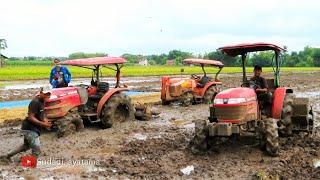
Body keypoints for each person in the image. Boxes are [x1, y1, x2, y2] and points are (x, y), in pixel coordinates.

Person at [0, 89, 52, 161]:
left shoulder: (42, 101)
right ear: (41, 93)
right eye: (46, 94)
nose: (48, 95)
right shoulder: (35, 102)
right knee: (36, 150)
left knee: (26, 146)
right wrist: (43, 124)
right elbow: (31, 117)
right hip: (29, 128)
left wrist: (46, 121)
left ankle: (7, 156)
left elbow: (41, 115)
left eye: (49, 94)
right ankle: (30, 165)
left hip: (32, 128)